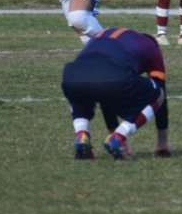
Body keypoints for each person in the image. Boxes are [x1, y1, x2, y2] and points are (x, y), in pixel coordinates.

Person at [61, 27, 172, 160]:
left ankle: (81, 134)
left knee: (82, 92)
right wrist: (162, 141)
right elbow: (162, 92)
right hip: (111, 77)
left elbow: (106, 99)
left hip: (72, 76)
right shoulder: (151, 48)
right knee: (158, 94)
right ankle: (119, 136)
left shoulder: (107, 34)